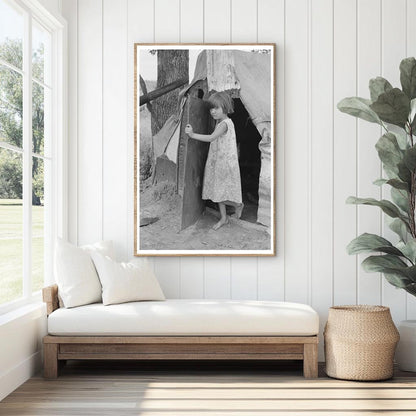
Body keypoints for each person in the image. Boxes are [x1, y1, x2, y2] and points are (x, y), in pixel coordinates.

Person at [185, 91, 243, 230]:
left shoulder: (225, 124)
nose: (213, 111)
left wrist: (192, 134)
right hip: (218, 162)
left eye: (216, 108)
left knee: (220, 192)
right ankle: (224, 218)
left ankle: (237, 205)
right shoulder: (221, 123)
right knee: (218, 190)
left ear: (226, 106)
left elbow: (211, 138)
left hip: (224, 164)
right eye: (211, 108)